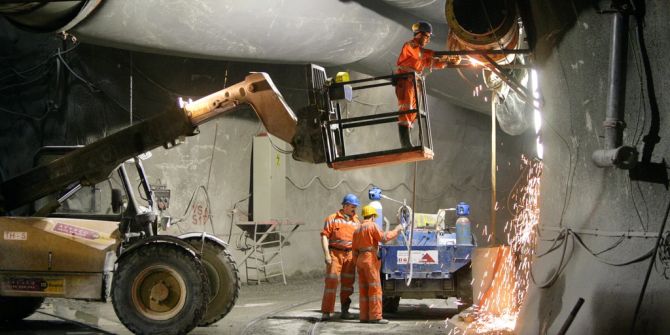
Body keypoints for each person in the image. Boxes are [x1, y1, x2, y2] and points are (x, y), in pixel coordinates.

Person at [395, 20, 460, 148]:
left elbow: (431, 62)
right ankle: (405, 143)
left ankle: (407, 143)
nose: (428, 39)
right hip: (405, 81)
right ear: (419, 34)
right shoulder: (410, 46)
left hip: (412, 82)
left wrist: (448, 62)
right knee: (406, 109)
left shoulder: (419, 51)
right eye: (428, 36)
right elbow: (422, 54)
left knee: (412, 112)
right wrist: (443, 56)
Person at [352, 205, 403, 324]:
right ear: (373, 217)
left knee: (364, 289)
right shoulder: (372, 226)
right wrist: (397, 230)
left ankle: (364, 316)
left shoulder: (357, 229)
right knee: (375, 289)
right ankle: (375, 316)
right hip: (370, 259)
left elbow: (353, 249)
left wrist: (357, 263)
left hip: (360, 260)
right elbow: (384, 238)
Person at [320, 193, 361, 321]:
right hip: (335, 254)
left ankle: (345, 310)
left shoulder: (357, 222)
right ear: (345, 205)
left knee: (348, 284)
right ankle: (326, 312)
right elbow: (324, 236)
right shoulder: (332, 218)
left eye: (355, 207)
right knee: (331, 282)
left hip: (350, 255)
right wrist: (327, 254)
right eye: (353, 206)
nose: (355, 209)